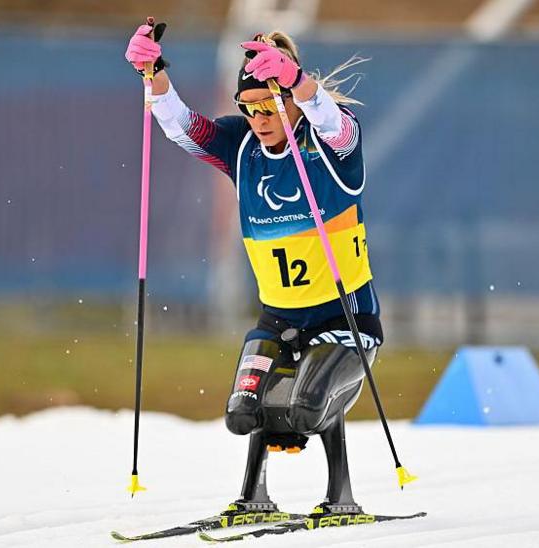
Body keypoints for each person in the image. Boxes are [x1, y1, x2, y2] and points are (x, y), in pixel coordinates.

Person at [125, 21, 381, 516]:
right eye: (251, 109)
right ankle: (254, 496)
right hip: (280, 316)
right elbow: (181, 125)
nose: (260, 119)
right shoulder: (241, 146)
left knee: (305, 408)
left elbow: (336, 125)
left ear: (289, 100)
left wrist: (299, 83)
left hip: (344, 317)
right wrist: (152, 75)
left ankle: (339, 495)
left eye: (271, 106)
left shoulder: (329, 145)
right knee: (243, 412)